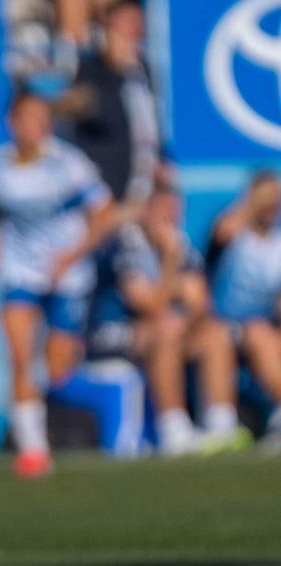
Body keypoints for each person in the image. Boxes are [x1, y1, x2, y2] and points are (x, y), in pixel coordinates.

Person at [0, 89, 119, 476]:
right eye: (30, 117)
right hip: (21, 271)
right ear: (13, 123)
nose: (39, 126)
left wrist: (72, 255)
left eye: (44, 117)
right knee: (19, 355)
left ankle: (112, 399)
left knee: (58, 369)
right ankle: (33, 450)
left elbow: (104, 213)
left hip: (68, 274)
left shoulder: (68, 163)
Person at [87, 183, 247, 454]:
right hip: (113, 334)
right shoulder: (127, 246)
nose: (170, 218)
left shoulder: (181, 244)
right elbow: (149, 305)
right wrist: (172, 266)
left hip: (169, 329)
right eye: (163, 210)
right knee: (167, 327)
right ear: (147, 212)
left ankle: (222, 424)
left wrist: (179, 290)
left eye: (174, 210)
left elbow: (200, 303)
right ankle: (173, 429)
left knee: (214, 332)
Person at [54, 0, 161, 207]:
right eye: (127, 21)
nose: (134, 30)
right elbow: (100, 116)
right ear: (108, 27)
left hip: (144, 179)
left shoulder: (143, 69)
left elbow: (151, 121)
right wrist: (118, 71)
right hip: (107, 182)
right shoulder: (90, 69)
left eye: (137, 22)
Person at [208, 172, 281, 451]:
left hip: (264, 327)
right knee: (237, 334)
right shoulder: (236, 235)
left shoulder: (277, 242)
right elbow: (222, 232)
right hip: (225, 323)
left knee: (262, 334)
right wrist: (254, 201)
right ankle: (220, 424)